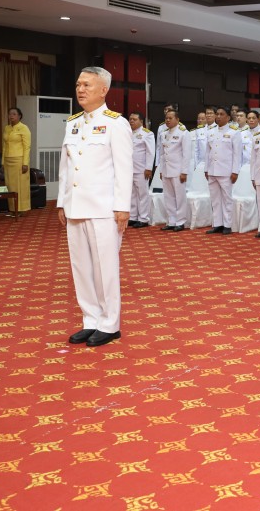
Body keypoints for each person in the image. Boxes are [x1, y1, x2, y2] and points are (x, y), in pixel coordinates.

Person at [58, 67, 132, 348]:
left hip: (104, 208)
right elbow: (66, 168)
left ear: (103, 90)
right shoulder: (73, 123)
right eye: (78, 84)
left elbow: (124, 169)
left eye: (87, 85)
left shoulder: (116, 123)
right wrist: (62, 202)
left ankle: (110, 324)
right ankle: (91, 319)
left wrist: (122, 207)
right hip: (76, 206)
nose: (81, 89)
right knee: (81, 268)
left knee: (105, 268)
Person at [205, 106, 242, 235]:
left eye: (222, 114)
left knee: (227, 199)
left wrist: (235, 171)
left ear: (228, 117)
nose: (218, 116)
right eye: (217, 114)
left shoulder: (234, 132)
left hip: (226, 171)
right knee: (215, 199)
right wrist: (206, 169)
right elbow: (207, 152)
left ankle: (227, 224)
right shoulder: (210, 132)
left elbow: (237, 154)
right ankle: (217, 224)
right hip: (212, 170)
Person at [156, 108, 192, 231]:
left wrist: (184, 172)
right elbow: (162, 154)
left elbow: (186, 155)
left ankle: (180, 221)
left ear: (177, 119)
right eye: (166, 118)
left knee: (180, 197)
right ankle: (171, 221)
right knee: (168, 196)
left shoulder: (183, 133)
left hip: (178, 170)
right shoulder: (163, 133)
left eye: (170, 118)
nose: (167, 120)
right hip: (166, 170)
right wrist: (161, 170)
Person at [2, 107, 32, 214]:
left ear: (19, 116)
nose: (11, 116)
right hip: (8, 160)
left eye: (14, 114)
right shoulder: (7, 128)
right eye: (10, 114)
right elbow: (4, 146)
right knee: (10, 185)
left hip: (19, 160)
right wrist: (3, 161)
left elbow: (27, 147)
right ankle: (12, 208)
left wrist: (25, 163)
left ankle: (22, 209)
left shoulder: (24, 128)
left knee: (20, 186)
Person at [128, 112, 155, 228]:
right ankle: (133, 217)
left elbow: (150, 152)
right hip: (129, 168)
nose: (131, 121)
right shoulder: (128, 132)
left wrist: (148, 168)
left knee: (142, 194)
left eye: (134, 119)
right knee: (132, 194)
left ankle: (143, 218)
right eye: (130, 119)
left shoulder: (147, 134)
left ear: (141, 121)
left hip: (141, 169)